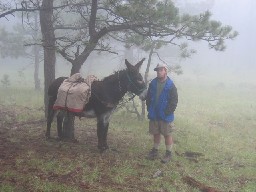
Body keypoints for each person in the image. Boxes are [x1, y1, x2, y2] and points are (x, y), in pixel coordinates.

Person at [143, 63, 178, 163]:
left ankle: (168, 153)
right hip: (154, 113)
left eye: (161, 70)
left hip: (165, 115)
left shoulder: (171, 85)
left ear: (165, 71)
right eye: (157, 70)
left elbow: (174, 101)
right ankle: (155, 151)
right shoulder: (153, 83)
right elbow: (149, 97)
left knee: (167, 134)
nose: (158, 72)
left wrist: (167, 112)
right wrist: (149, 107)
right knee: (156, 133)